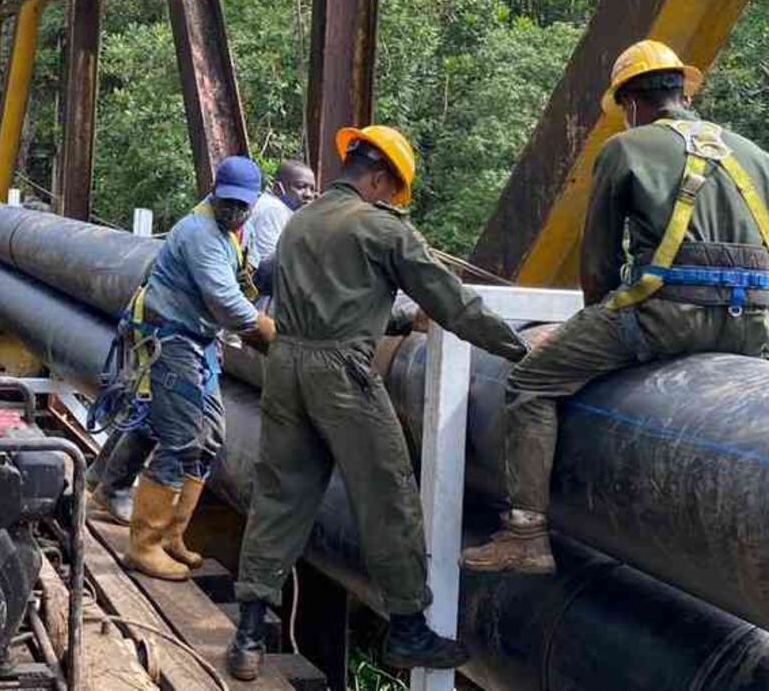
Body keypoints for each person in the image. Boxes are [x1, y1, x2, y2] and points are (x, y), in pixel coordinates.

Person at [226, 125, 530, 680]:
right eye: (393, 190)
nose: (392, 199)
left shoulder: (301, 222)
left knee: (279, 497)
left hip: (285, 366)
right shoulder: (383, 228)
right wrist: (520, 349)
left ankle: (247, 635)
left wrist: (395, 319)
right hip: (341, 377)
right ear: (379, 178)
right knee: (387, 493)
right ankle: (409, 629)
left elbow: (329, 302)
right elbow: (454, 305)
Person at [461, 40, 769, 574]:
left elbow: (599, 263)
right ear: (684, 94)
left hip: (667, 317)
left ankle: (525, 534)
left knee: (530, 383)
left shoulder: (626, 149)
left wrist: (590, 326)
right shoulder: (754, 154)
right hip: (754, 325)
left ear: (630, 103)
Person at [116, 156, 276, 582]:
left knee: (210, 437)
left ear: (254, 203)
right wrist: (274, 337)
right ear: (214, 193)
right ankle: (144, 545)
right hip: (173, 343)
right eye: (228, 203)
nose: (234, 211)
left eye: (242, 206)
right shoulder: (200, 233)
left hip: (198, 344)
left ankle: (172, 534)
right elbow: (226, 302)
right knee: (181, 439)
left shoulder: (228, 234)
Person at [243, 159, 317, 269]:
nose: (308, 195)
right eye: (300, 186)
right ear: (278, 188)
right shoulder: (274, 209)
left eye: (312, 189)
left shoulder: (277, 206)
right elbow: (265, 263)